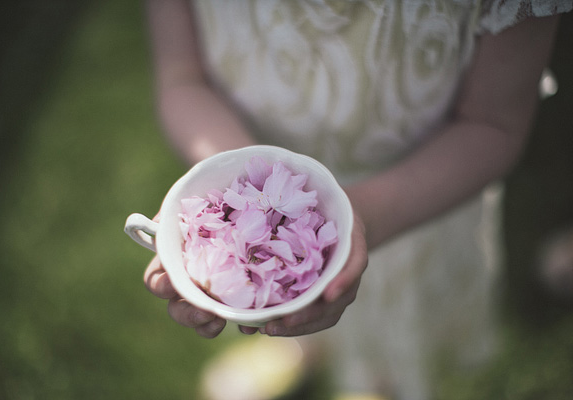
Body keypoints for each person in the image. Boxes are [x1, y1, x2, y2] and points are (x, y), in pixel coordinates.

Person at [142, 1, 572, 399]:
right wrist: (233, 187)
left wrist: (356, 216)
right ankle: (300, 349)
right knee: (295, 302)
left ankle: (382, 386)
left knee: (393, 322)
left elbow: (493, 125)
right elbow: (183, 78)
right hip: (254, 154)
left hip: (416, 197)